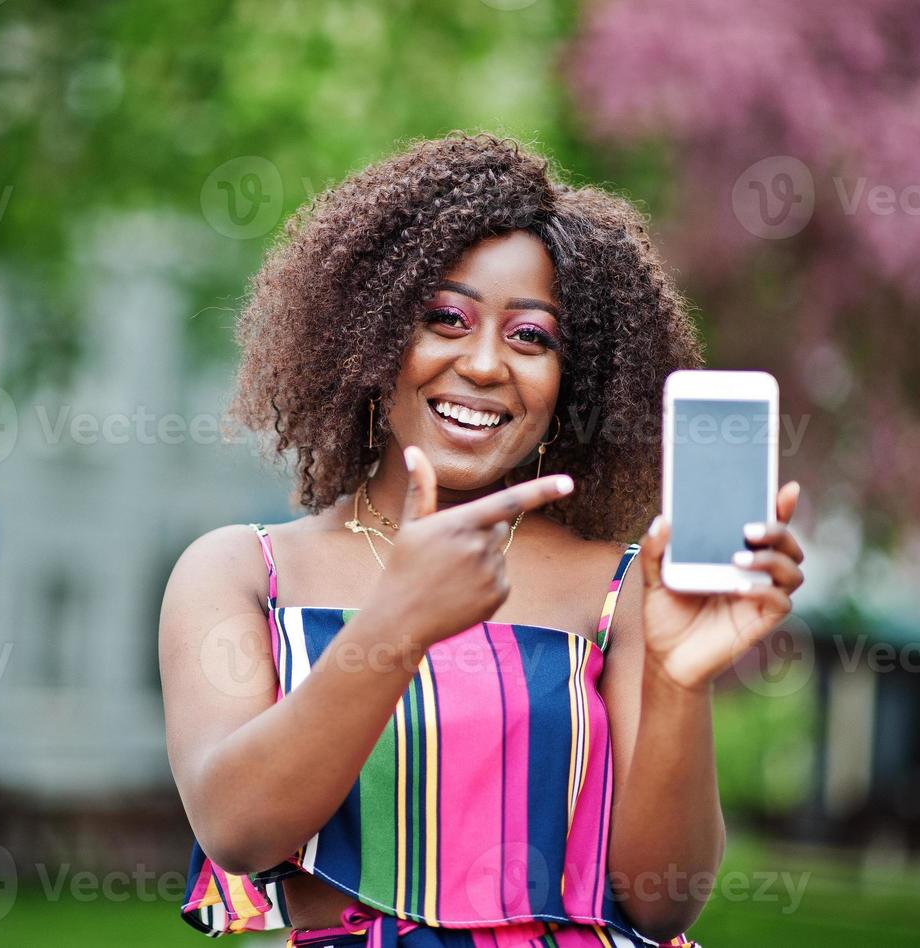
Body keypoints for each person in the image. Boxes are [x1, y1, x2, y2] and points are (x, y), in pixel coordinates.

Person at [159, 133, 805, 947]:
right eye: (444, 319)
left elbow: (660, 902)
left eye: (532, 337)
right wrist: (398, 623)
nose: (486, 362)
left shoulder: (626, 587)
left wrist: (679, 681)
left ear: (573, 381)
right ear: (369, 338)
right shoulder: (241, 572)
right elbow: (237, 827)